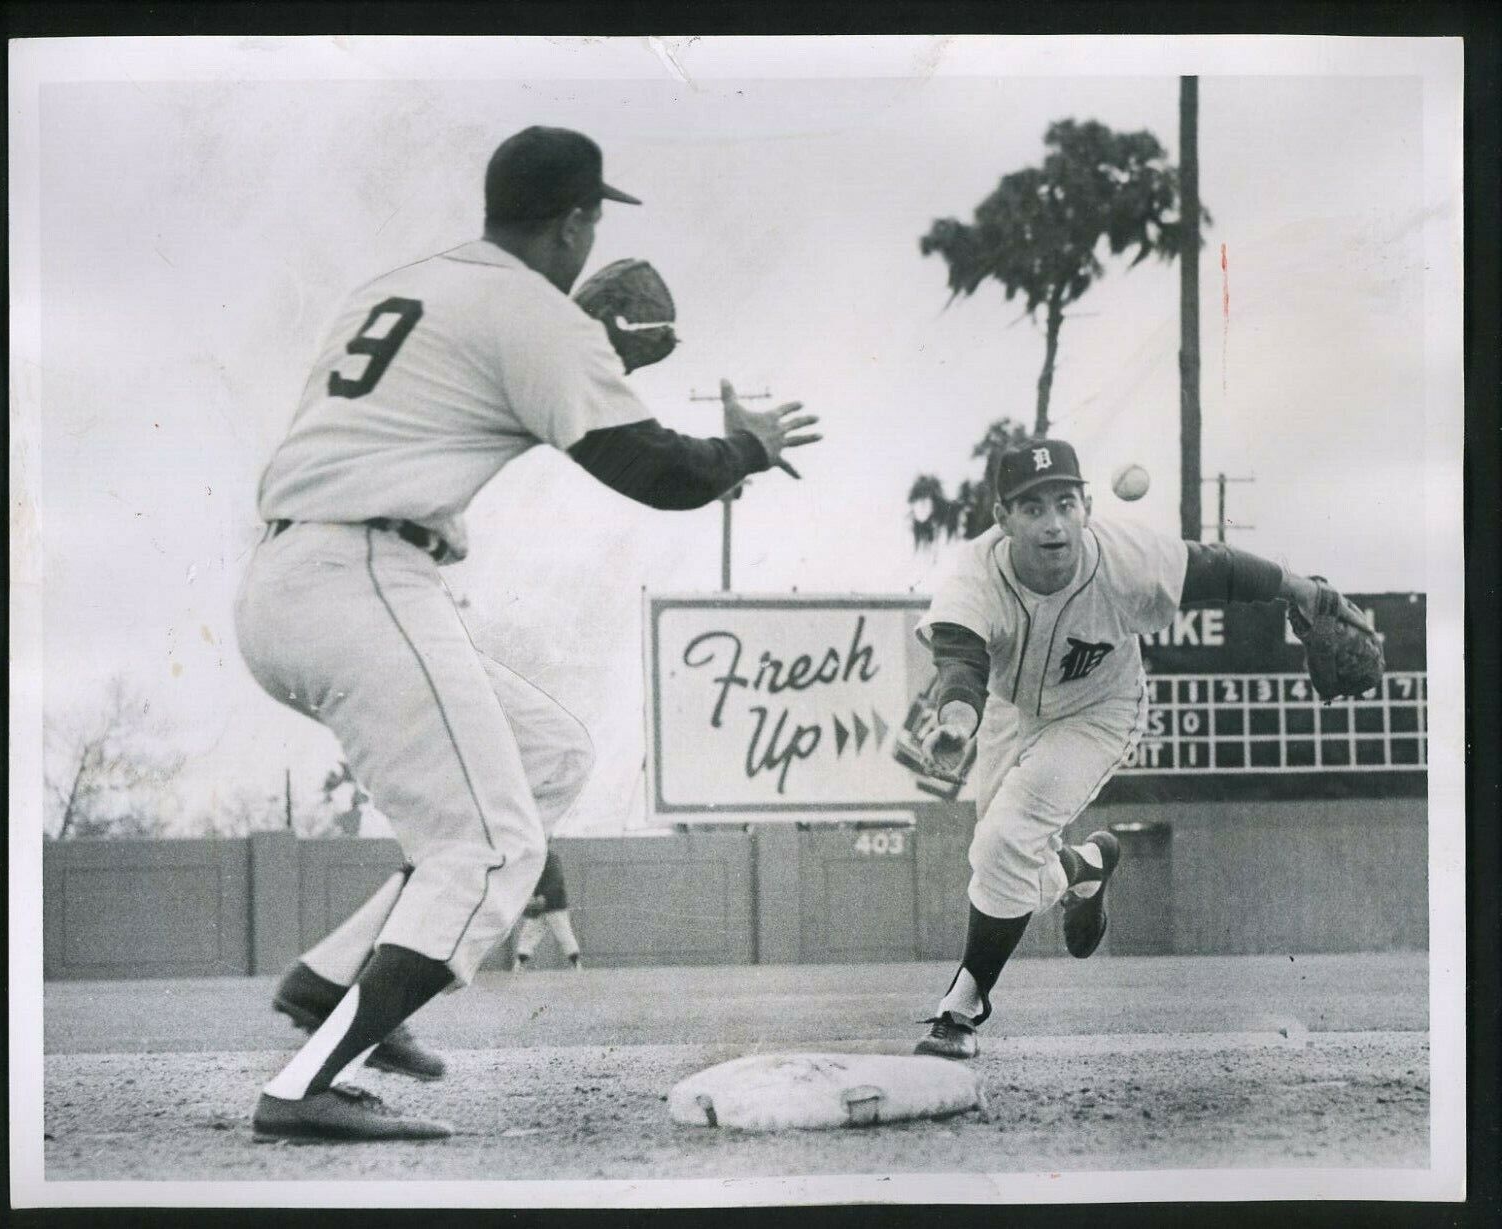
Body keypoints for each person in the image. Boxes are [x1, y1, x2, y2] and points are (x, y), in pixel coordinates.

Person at [235, 125, 820, 1142]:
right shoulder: (531, 315)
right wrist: (748, 447)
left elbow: (449, 393)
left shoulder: (400, 285)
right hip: (364, 573)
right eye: (592, 220)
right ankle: (308, 1079)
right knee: (495, 844)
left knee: (547, 758)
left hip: (289, 577)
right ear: (575, 220)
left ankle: (325, 980)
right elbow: (658, 473)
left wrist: (579, 352)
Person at [910, 438, 1370, 1060]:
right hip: (1005, 714)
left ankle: (960, 1009)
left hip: (1098, 712)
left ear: (1087, 506)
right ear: (1003, 520)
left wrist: (1301, 590)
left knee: (1002, 844)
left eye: (1065, 503)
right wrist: (957, 723)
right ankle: (1081, 869)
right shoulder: (974, 574)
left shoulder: (1125, 557)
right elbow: (959, 660)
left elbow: (1217, 568)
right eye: (1033, 507)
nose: (1053, 522)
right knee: (998, 861)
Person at [511, 844, 583, 971]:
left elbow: (555, 880)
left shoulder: (551, 858)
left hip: (555, 905)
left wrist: (542, 896)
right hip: (539, 907)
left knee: (564, 934)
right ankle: (519, 965)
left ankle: (577, 965)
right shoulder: (533, 861)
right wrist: (532, 897)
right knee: (528, 934)